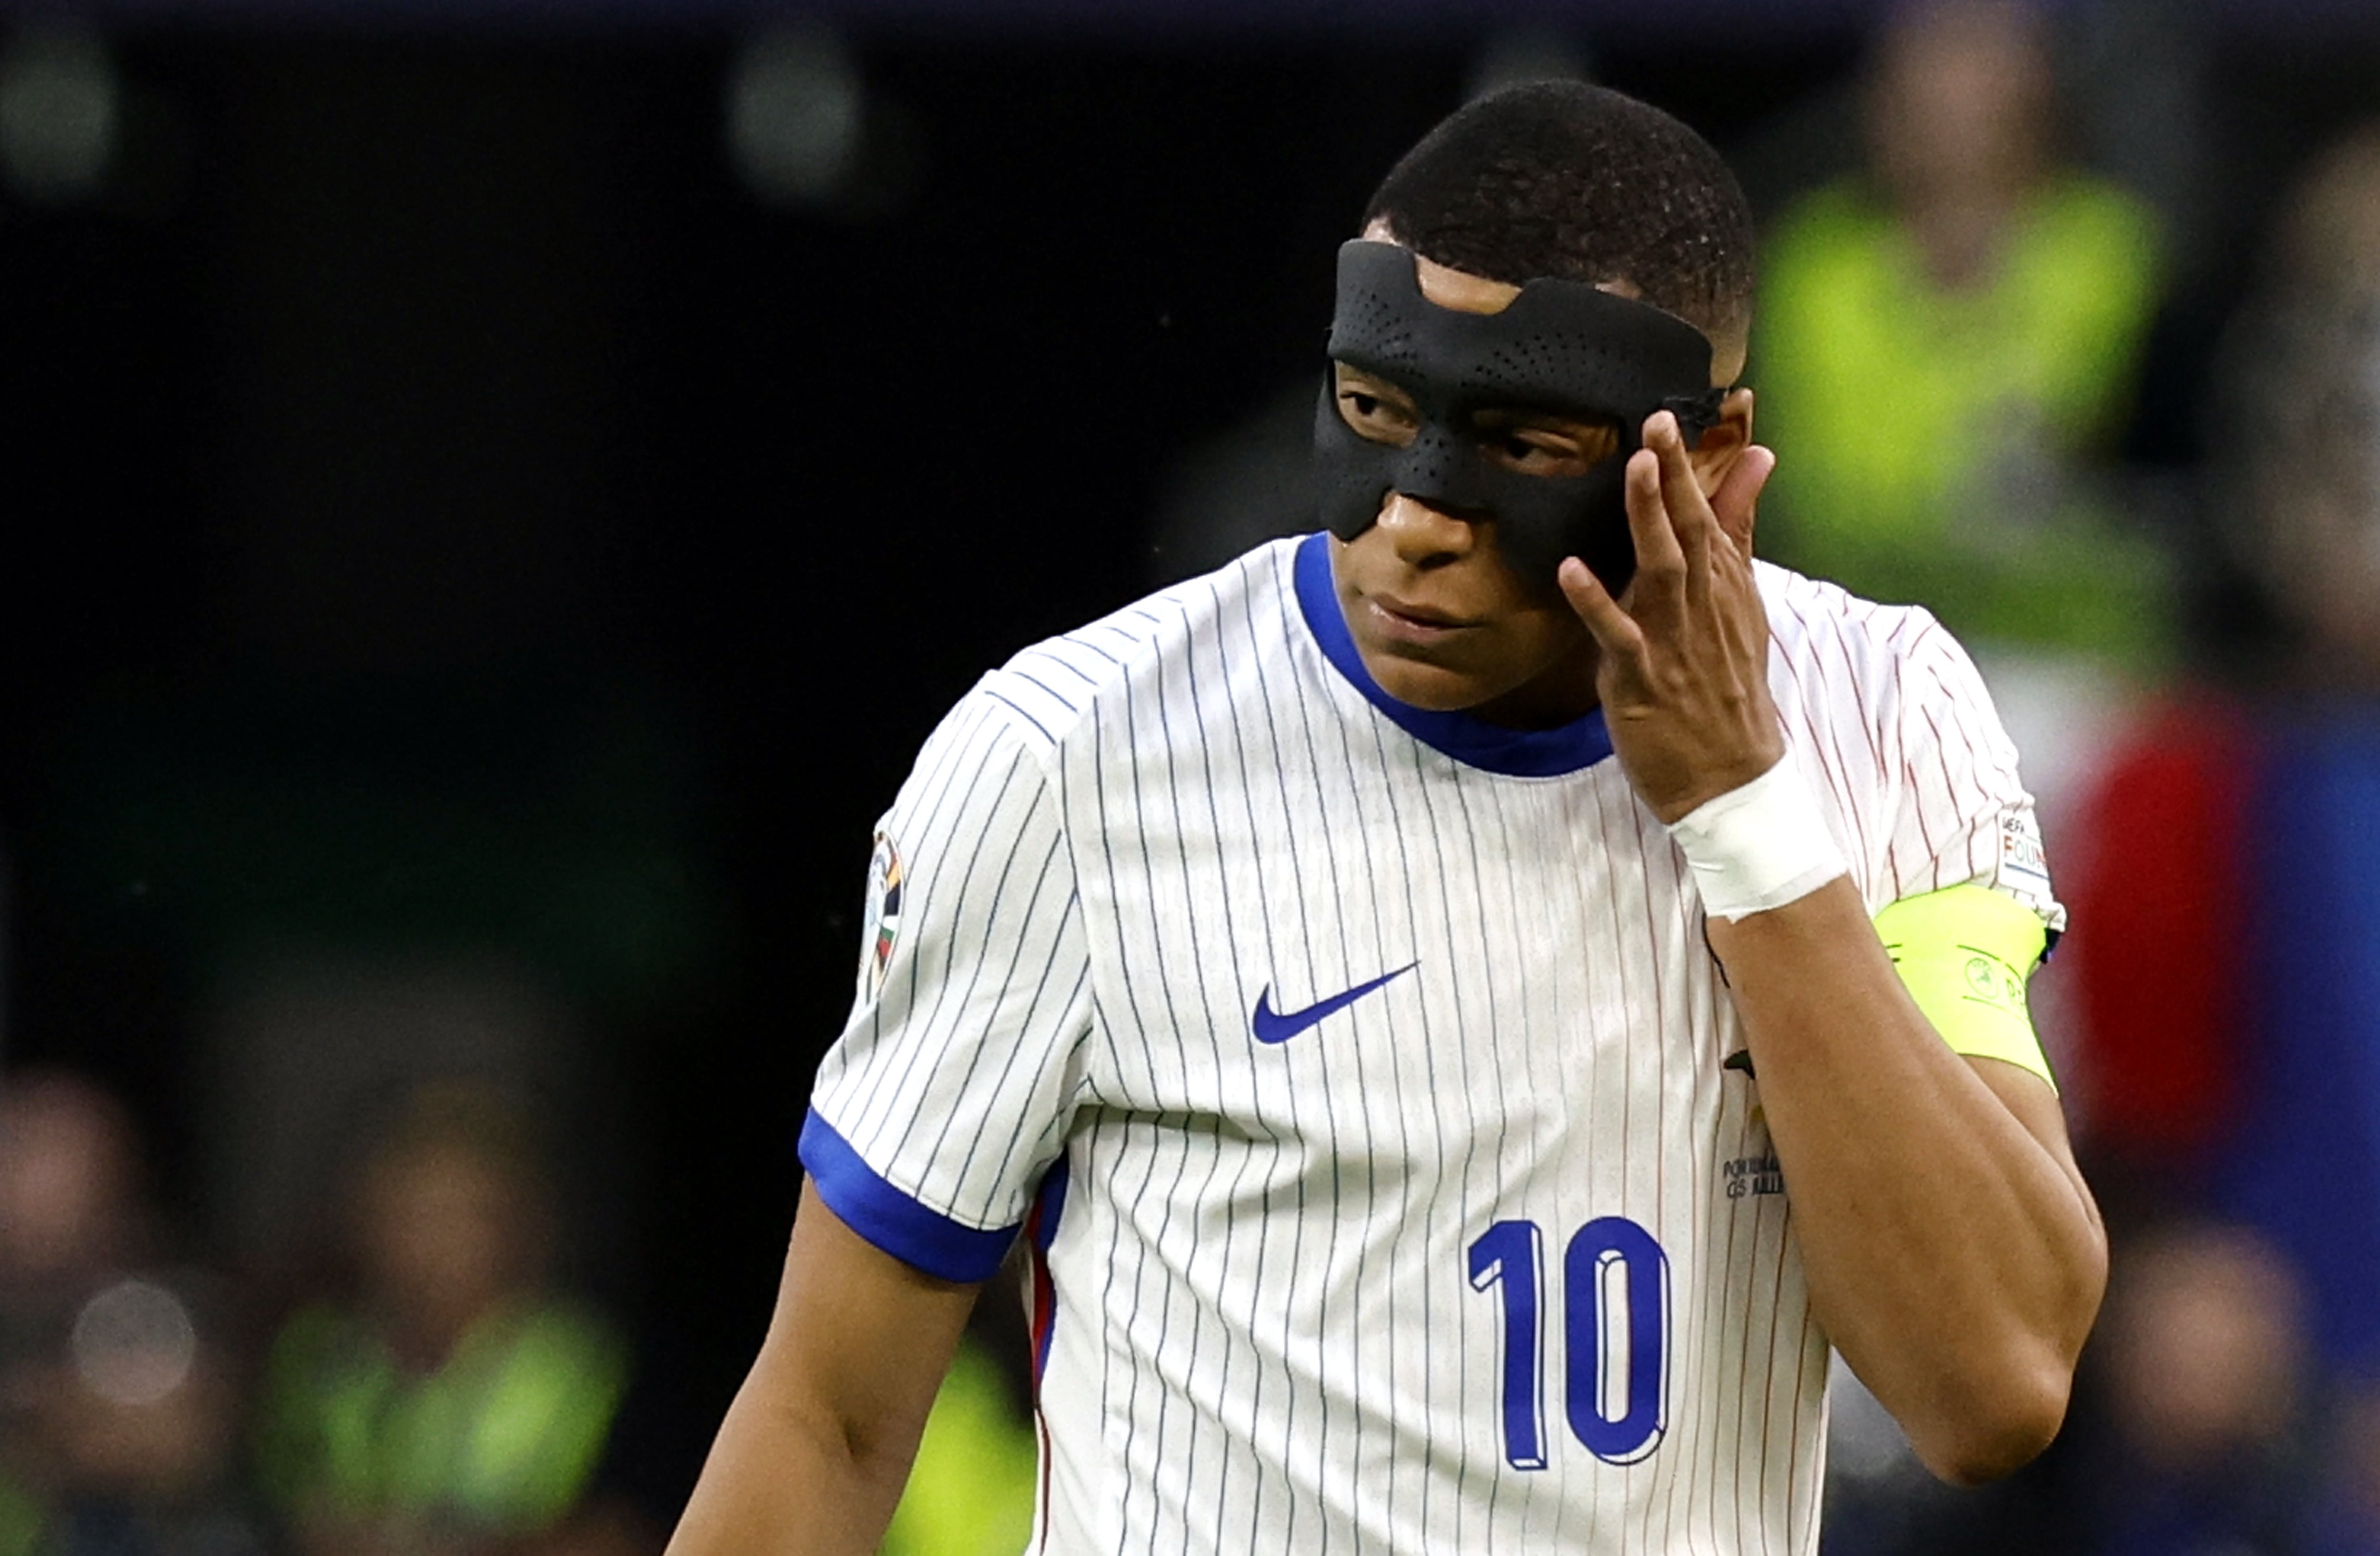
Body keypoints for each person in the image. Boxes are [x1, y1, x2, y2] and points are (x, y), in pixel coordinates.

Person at [668, 81, 2106, 1554]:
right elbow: (827, 1423)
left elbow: (1991, 1381)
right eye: (1376, 409)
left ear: (1712, 453)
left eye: (1523, 443)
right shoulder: (1069, 757)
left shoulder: (1883, 711)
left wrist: (1745, 815)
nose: (1417, 513)